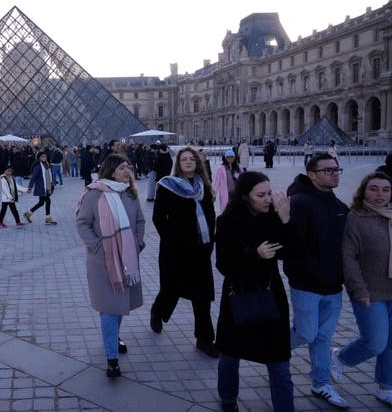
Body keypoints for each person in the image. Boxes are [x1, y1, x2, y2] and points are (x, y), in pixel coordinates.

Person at [215, 171, 294, 412]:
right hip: (238, 294)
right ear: (245, 196)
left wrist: (286, 221)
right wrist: (254, 255)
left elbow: (288, 252)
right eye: (261, 195)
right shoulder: (227, 221)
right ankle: (228, 400)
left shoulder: (275, 216)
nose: (268, 199)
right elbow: (223, 264)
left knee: (279, 361)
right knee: (230, 355)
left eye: (269, 193)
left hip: (271, 294)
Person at [285, 153, 350, 408]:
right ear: (312, 175)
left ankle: (321, 383)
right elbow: (293, 245)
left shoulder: (338, 206)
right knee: (305, 332)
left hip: (333, 285)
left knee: (323, 336)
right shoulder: (299, 203)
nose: (334, 173)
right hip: (307, 284)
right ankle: (272, 350)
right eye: (328, 170)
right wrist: (309, 271)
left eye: (336, 169)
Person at [76, 154, 145, 378]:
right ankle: (111, 358)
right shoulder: (95, 193)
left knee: (120, 303)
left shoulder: (130, 193)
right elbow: (82, 223)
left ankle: (113, 336)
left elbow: (140, 221)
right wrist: (97, 247)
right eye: (123, 167)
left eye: (129, 167)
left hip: (126, 259)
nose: (128, 171)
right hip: (102, 262)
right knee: (109, 307)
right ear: (111, 170)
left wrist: (138, 242)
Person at [330, 172, 392, 406]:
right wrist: (359, 290)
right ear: (363, 191)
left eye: (385, 190)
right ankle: (341, 356)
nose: (380, 195)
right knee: (375, 342)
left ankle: (386, 386)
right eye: (374, 189)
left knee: (391, 344)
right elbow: (348, 257)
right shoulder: (356, 217)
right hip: (369, 291)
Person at [149, 147, 218, 357]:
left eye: (191, 159)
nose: (188, 162)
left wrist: (210, 241)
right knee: (171, 289)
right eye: (184, 159)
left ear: (197, 163)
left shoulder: (204, 187)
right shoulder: (168, 186)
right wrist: (172, 239)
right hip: (175, 251)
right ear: (178, 164)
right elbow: (158, 218)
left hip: (200, 249)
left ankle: (204, 339)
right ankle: (157, 311)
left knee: (203, 296)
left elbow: (211, 215)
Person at [25, 151, 57, 225]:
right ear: (39, 157)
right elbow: (33, 177)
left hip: (47, 187)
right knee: (48, 201)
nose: (45, 157)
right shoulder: (38, 166)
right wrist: (30, 187)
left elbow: (49, 175)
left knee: (41, 203)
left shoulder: (46, 164)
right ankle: (48, 219)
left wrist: (53, 183)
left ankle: (28, 214)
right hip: (42, 188)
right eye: (43, 156)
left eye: (45, 156)